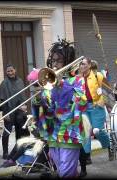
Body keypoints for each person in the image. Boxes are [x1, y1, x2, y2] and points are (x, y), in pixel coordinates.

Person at [32, 38, 89, 178]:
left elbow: (81, 103)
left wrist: (61, 84)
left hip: (70, 134)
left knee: (65, 174)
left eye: (59, 61)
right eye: (53, 61)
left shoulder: (77, 80)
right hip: (52, 135)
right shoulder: (49, 83)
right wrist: (38, 98)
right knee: (63, 171)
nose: (55, 64)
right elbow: (48, 110)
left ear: (68, 62)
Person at [78, 57, 113, 167]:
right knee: (86, 132)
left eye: (83, 64)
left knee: (97, 130)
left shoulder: (98, 75)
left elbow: (109, 90)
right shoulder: (78, 79)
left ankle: (108, 146)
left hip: (96, 106)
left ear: (89, 65)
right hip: (84, 108)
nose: (81, 66)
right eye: (80, 64)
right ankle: (87, 156)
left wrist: (106, 103)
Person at [0, 64, 30, 159]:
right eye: (8, 71)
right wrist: (4, 112)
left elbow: (22, 96)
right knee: (7, 132)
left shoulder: (20, 81)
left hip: (19, 111)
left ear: (15, 70)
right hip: (8, 111)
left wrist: (24, 106)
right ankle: (5, 152)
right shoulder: (4, 83)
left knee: (19, 131)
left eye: (11, 70)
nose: (10, 73)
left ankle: (18, 150)